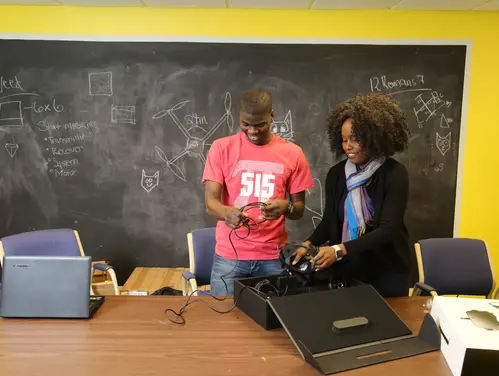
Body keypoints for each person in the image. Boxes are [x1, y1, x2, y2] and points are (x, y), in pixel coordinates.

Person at [293, 93, 412, 297]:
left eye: (355, 139)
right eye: (344, 140)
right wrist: (308, 244)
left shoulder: (394, 173)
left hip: (388, 270)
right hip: (348, 269)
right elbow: (330, 220)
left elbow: (389, 229)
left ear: (374, 138)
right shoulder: (337, 174)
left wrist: (338, 250)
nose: (348, 146)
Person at [202, 89, 314, 296]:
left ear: (271, 116)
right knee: (223, 324)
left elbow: (298, 209)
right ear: (239, 118)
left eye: (260, 124)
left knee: (273, 321)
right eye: (246, 125)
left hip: (273, 257)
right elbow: (210, 202)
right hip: (230, 258)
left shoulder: (293, 153)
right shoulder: (221, 148)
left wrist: (286, 207)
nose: (252, 131)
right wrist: (227, 213)